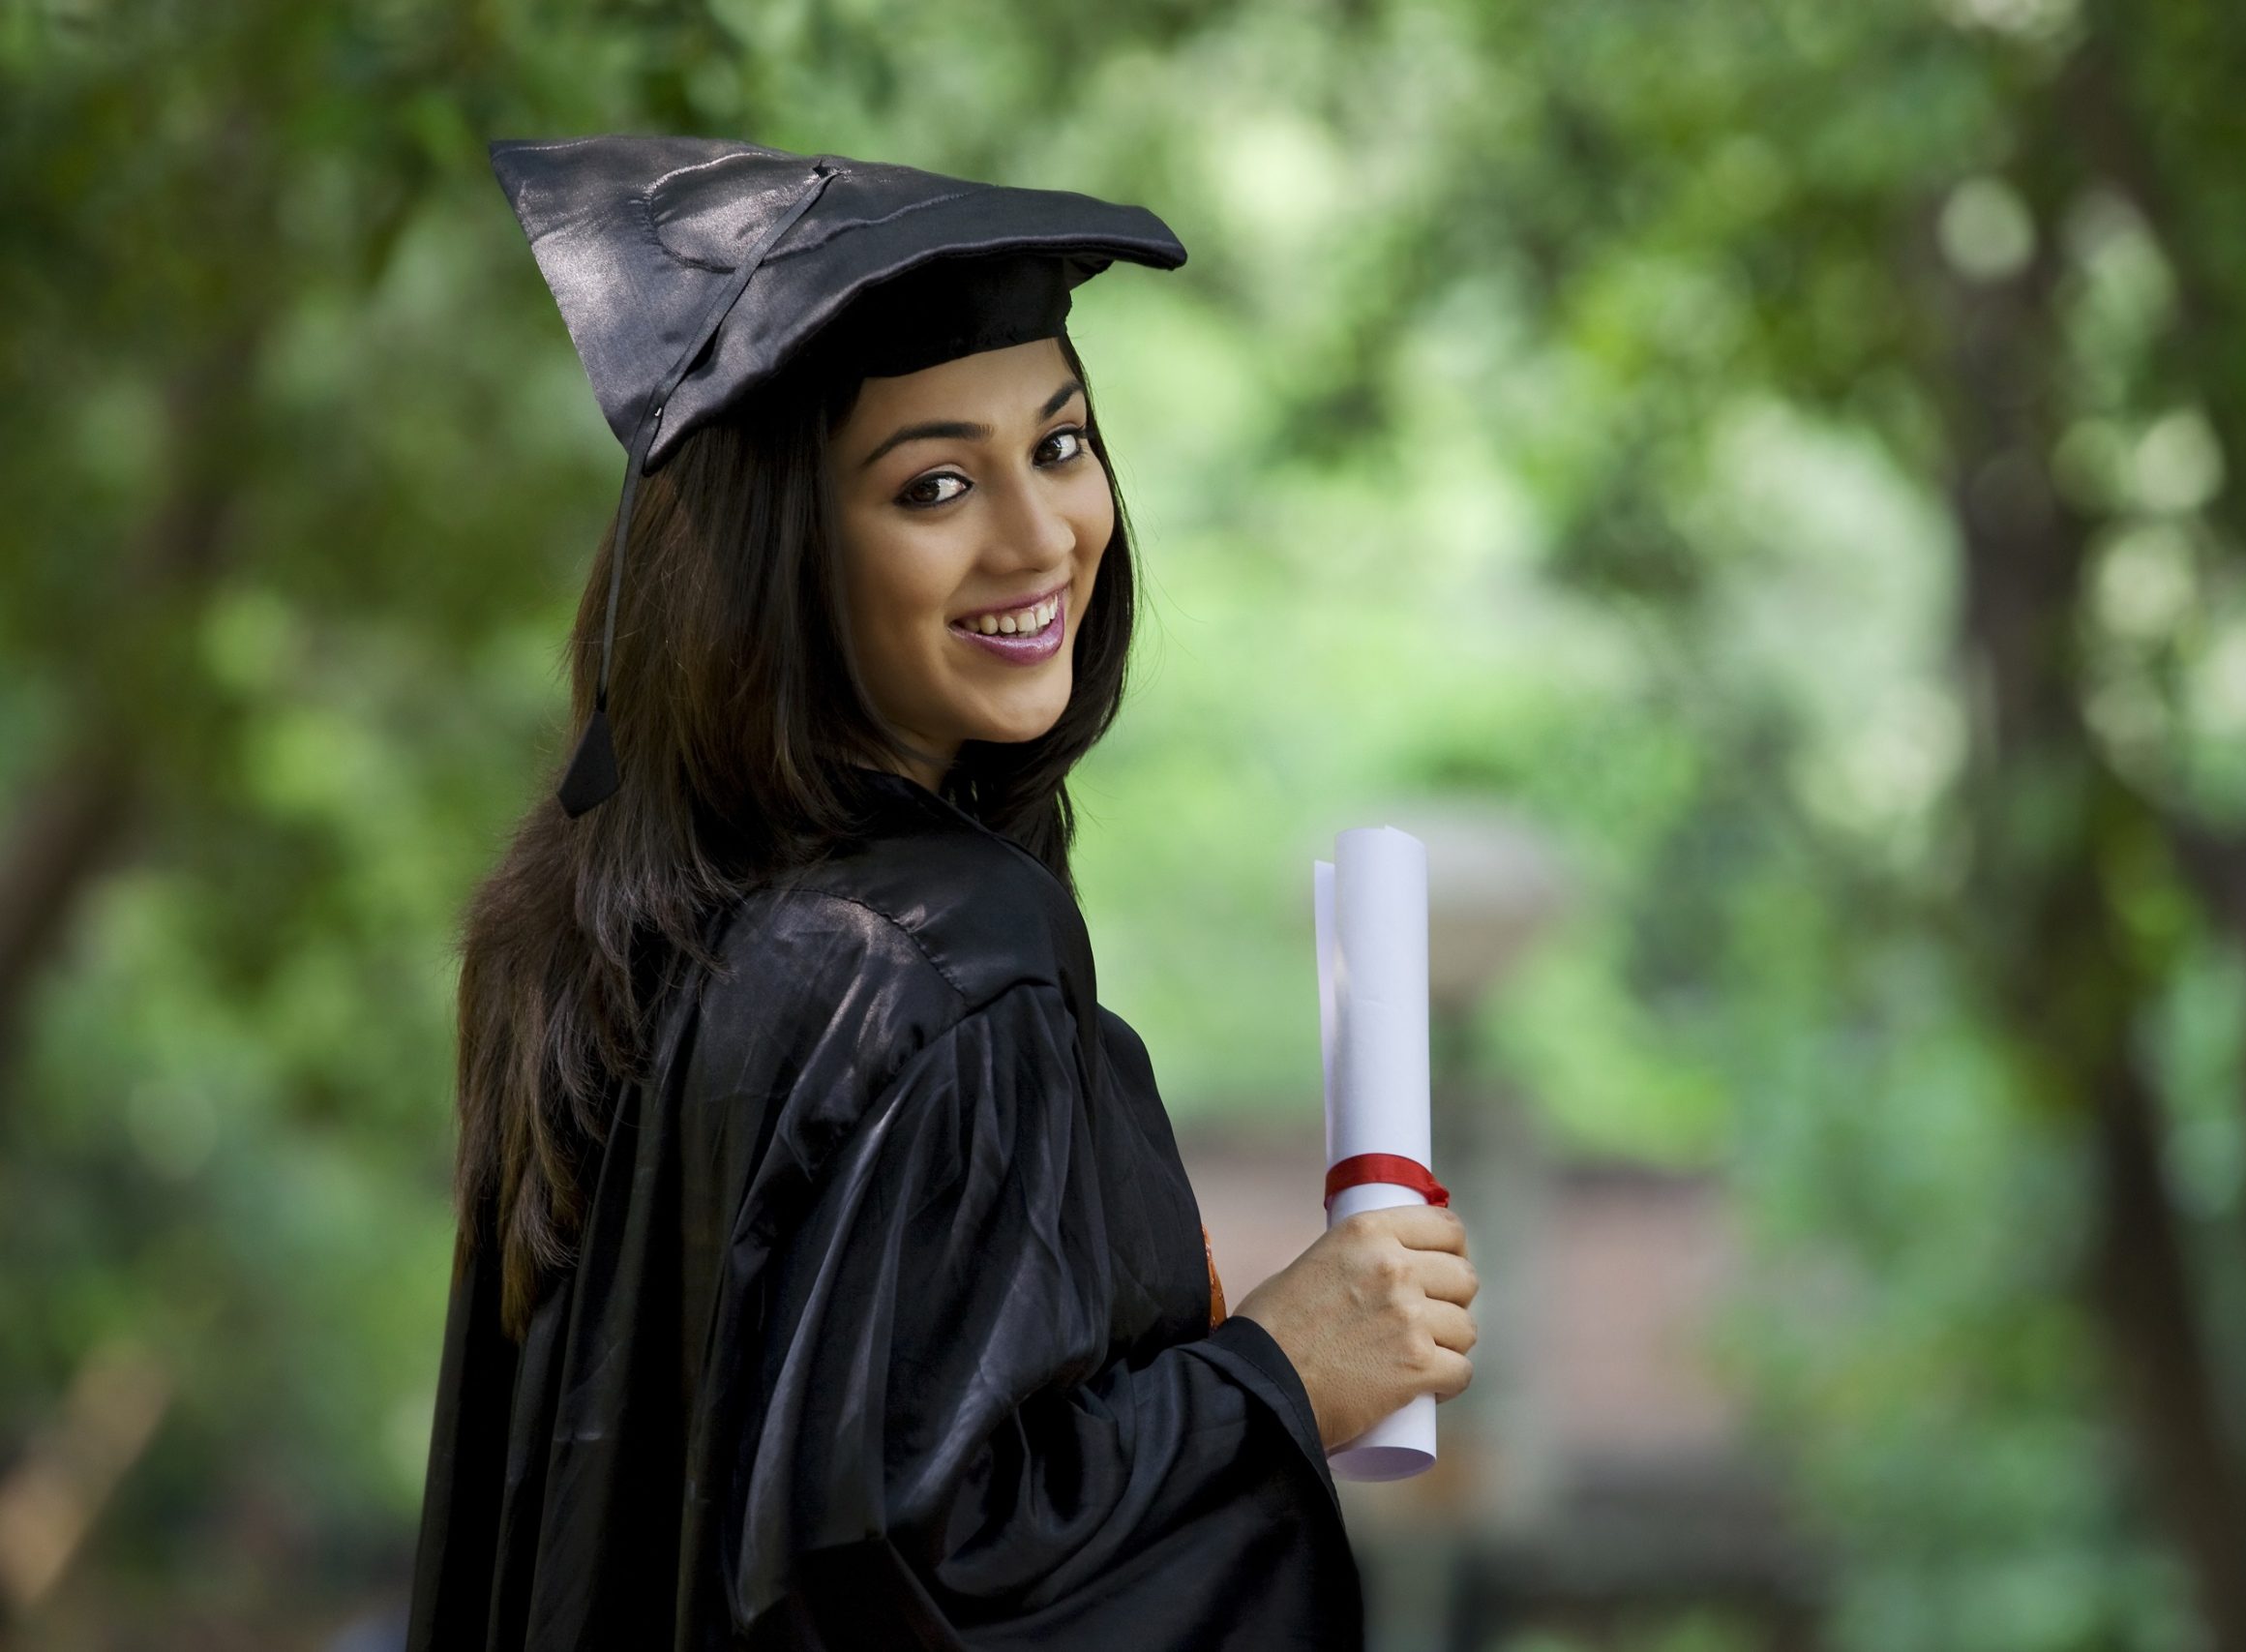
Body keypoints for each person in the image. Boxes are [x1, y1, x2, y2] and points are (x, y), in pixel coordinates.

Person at [405, 135, 1481, 1650]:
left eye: (1058, 445)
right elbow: (930, 1578)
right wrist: (1283, 1380)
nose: (1040, 536)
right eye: (933, 485)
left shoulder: (606, 930)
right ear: (780, 549)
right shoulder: (935, 967)